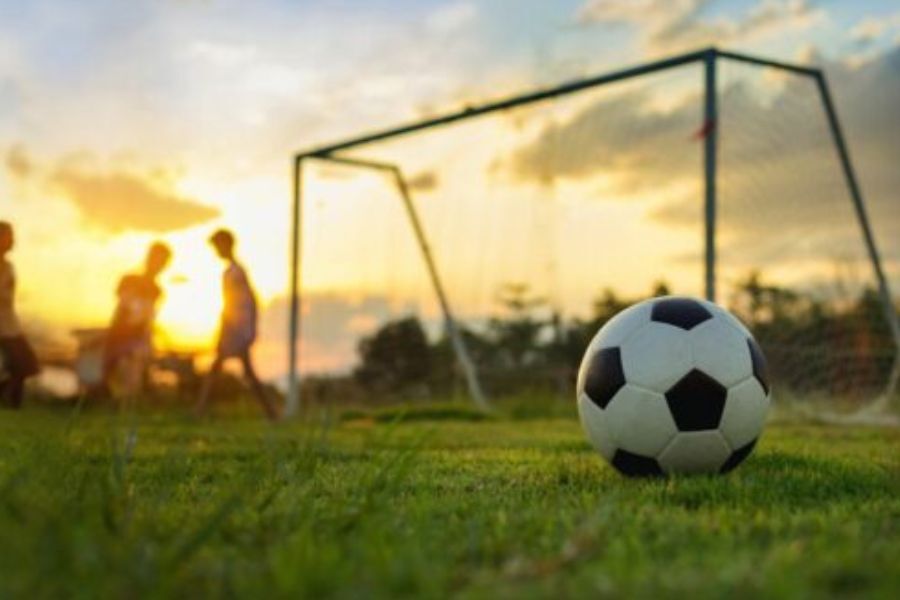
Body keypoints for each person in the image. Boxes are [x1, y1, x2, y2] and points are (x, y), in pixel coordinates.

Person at [197, 229, 278, 420]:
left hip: (236, 330)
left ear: (227, 245)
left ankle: (199, 410)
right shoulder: (231, 271)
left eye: (218, 246)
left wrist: (245, 328)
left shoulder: (236, 272)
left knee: (236, 371)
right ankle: (272, 414)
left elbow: (246, 301)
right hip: (234, 328)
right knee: (230, 370)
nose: (216, 251)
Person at [102, 242, 172, 395]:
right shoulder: (129, 279)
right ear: (148, 258)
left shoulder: (157, 290)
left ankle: (129, 401)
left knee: (134, 377)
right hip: (118, 336)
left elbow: (149, 318)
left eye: (162, 262)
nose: (157, 265)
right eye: (155, 259)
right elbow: (124, 304)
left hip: (139, 339)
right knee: (110, 376)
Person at [0, 222, 40, 408]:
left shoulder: (8, 267)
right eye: (8, 237)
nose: (12, 241)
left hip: (10, 325)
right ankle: (11, 402)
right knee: (21, 364)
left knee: (27, 365)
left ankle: (12, 401)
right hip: (4, 327)